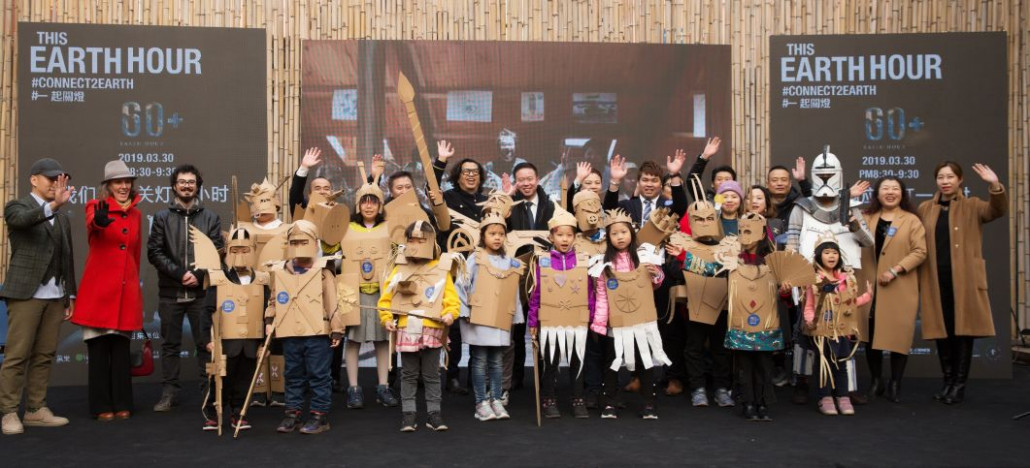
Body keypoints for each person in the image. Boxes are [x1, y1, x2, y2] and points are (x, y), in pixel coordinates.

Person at [673, 212, 789, 421]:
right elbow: (708, 269)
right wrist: (687, 256)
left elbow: (784, 293)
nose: (745, 235)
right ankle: (748, 402)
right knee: (743, 365)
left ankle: (763, 403)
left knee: (764, 365)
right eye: (742, 231)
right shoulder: (730, 258)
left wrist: (786, 288)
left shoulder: (773, 261)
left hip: (765, 321)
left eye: (750, 231)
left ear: (763, 233)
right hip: (740, 321)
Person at [785, 149, 872, 405]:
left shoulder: (852, 207)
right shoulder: (801, 207)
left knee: (845, 330)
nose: (825, 179)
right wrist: (791, 275)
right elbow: (791, 242)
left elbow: (867, 241)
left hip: (843, 279)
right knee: (806, 331)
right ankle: (802, 381)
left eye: (829, 174)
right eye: (820, 174)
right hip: (808, 279)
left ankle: (848, 388)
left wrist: (852, 223)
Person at [917, 162, 1006, 405]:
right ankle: (947, 382)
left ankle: (959, 385)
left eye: (950, 177)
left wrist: (995, 185)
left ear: (960, 180)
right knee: (942, 331)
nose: (945, 181)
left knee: (963, 332)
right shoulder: (925, 208)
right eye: (941, 177)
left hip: (964, 279)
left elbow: (996, 211)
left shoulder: (973, 205)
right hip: (936, 279)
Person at [0, 158, 77, 435]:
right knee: (17, 354)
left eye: (61, 179)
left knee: (44, 354)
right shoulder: (18, 206)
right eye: (51, 179)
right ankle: (8, 412)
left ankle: (35, 409)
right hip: (26, 293)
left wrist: (71, 294)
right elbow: (22, 221)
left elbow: (66, 257)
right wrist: (54, 205)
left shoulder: (62, 217)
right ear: (34, 179)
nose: (57, 184)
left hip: (55, 295)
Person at [147, 165, 224, 412]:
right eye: (182, 182)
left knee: (205, 344)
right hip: (171, 292)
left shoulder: (210, 217)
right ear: (174, 186)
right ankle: (169, 393)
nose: (187, 186)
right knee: (170, 345)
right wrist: (181, 274)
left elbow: (218, 250)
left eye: (191, 182)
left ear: (198, 185)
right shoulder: (161, 217)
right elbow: (154, 252)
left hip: (202, 292)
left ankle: (208, 393)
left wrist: (199, 274)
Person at [71, 160, 143, 422]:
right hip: (99, 291)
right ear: (108, 186)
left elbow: (135, 254)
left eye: (127, 182)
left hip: (125, 291)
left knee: (121, 352)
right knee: (100, 351)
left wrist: (134, 288)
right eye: (117, 182)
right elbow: (93, 227)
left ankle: (123, 402)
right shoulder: (95, 207)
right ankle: (101, 405)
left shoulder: (136, 214)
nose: (123, 186)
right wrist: (100, 223)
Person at [379, 221, 461, 432]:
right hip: (407, 330)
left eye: (421, 240)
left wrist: (450, 314)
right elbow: (386, 300)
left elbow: (452, 300)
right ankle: (409, 414)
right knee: (409, 374)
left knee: (432, 374)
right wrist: (387, 318)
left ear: (430, 242)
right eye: (411, 240)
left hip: (432, 329)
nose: (415, 244)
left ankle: (434, 413)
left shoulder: (440, 269)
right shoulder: (399, 268)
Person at [590, 208, 670, 420]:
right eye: (614, 233)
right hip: (615, 323)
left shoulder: (643, 257)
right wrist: (600, 323)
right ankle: (609, 403)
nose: (620, 237)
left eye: (623, 232)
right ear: (608, 237)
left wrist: (656, 275)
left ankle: (649, 403)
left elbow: (653, 285)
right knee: (612, 363)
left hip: (640, 321)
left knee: (645, 361)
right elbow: (602, 296)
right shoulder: (603, 264)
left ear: (632, 234)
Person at [266, 220, 343, 434]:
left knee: (319, 374)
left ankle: (319, 415)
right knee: (293, 373)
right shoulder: (281, 271)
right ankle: (293, 413)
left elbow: (332, 301)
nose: (300, 245)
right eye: (295, 241)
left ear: (315, 243)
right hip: (290, 331)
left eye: (305, 241)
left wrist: (337, 328)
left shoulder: (323, 270)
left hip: (317, 332)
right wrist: (269, 320)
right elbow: (274, 299)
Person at [854, 177, 927, 403]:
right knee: (871, 335)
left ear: (902, 194)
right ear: (877, 194)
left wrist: (895, 270)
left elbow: (920, 251)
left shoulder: (912, 220)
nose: (890, 192)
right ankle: (877, 381)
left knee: (898, 337)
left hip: (898, 286)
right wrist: (852, 198)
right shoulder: (866, 217)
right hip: (869, 286)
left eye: (895, 188)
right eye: (885, 188)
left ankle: (896, 383)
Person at [200, 227, 269, 432]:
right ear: (228, 251)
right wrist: (207, 339)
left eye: (245, 250)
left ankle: (239, 411)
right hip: (225, 342)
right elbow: (206, 311)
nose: (240, 255)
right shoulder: (219, 279)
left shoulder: (262, 280)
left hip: (251, 340)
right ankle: (213, 412)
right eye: (235, 250)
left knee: (245, 379)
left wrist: (266, 343)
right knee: (221, 378)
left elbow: (268, 312)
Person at [459, 213, 526, 421]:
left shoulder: (509, 262)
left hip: (499, 320)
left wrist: (515, 317)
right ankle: (481, 402)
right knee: (479, 361)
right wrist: (465, 311)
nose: (497, 238)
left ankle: (496, 399)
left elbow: (512, 291)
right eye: (492, 233)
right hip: (479, 319)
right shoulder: (475, 258)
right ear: (483, 235)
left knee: (497, 361)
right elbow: (462, 284)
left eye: (500, 234)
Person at [338, 181, 398, 409]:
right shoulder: (346, 229)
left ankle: (383, 386)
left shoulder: (390, 229)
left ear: (381, 205)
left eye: (374, 201)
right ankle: (354, 388)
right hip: (354, 293)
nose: (369, 206)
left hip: (382, 293)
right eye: (364, 201)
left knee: (383, 340)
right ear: (358, 205)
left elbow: (397, 257)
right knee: (353, 340)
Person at [528, 208, 592, 419]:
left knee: (578, 360)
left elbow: (589, 291)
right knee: (551, 361)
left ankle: (578, 398)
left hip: (576, 321)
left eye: (569, 235)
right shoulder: (542, 260)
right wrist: (533, 321)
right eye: (560, 235)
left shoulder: (582, 260)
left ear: (575, 237)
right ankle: (549, 399)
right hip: (551, 322)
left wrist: (589, 315)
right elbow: (536, 294)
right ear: (551, 237)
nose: (565, 239)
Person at [432, 149, 486, 395]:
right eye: (466, 172)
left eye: (475, 172)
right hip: (454, 268)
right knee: (453, 324)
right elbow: (431, 190)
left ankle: (476, 377)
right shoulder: (449, 198)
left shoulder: (488, 200)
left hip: (482, 270)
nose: (471, 176)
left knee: (479, 321)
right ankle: (452, 376)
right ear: (458, 176)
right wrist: (440, 161)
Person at [803, 235, 873, 415]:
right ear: (819, 256)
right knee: (823, 364)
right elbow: (809, 305)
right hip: (822, 332)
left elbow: (850, 303)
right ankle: (825, 397)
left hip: (842, 331)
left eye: (834, 252)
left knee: (842, 364)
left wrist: (866, 297)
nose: (831, 256)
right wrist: (810, 320)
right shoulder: (814, 280)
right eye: (827, 252)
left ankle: (843, 396)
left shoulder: (846, 280)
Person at [505, 162, 555, 396]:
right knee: (517, 327)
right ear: (516, 182)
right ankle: (516, 376)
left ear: (538, 179)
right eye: (521, 179)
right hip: (517, 273)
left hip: (545, 274)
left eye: (530, 178)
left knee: (544, 325)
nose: (526, 183)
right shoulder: (511, 205)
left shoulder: (550, 204)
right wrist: (505, 202)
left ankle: (545, 377)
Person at [288, 147, 334, 214]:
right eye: (317, 188)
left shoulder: (339, 213)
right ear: (309, 195)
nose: (322, 191)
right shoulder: (303, 210)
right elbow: (296, 194)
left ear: (331, 193)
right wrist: (304, 167)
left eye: (326, 189)